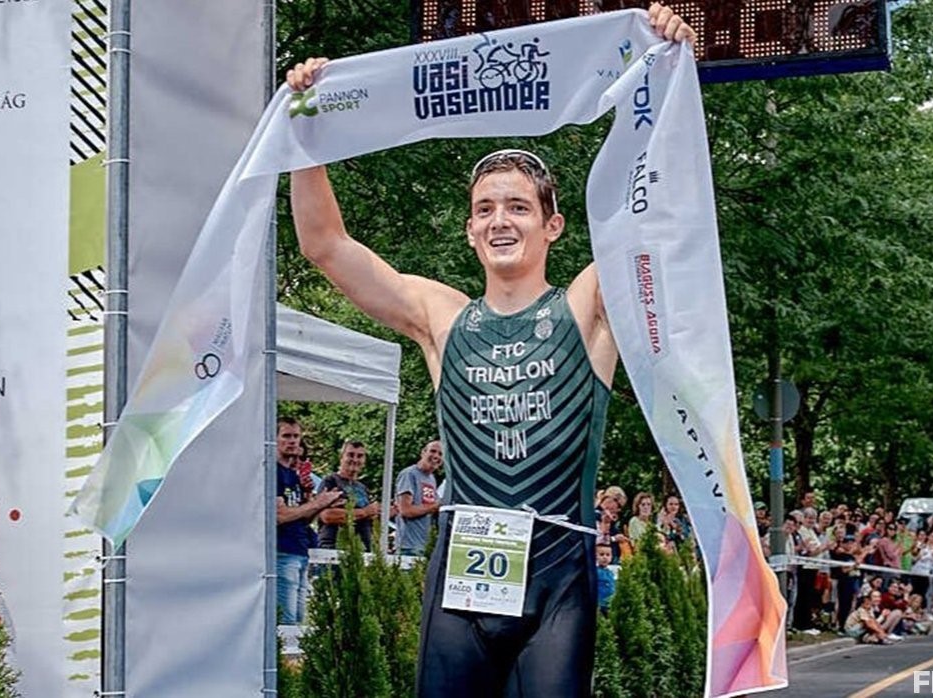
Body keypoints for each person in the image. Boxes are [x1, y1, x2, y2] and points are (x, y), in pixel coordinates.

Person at [286, 6, 697, 694]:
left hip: (558, 579)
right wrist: (305, 128)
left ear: (552, 226)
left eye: (517, 207)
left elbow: (658, 215)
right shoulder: (441, 317)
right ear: (470, 231)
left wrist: (670, 76)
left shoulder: (587, 307)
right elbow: (324, 245)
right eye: (485, 209)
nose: (500, 220)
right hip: (462, 581)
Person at [275, 417, 343, 624]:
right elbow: (279, 516)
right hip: (281, 552)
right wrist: (317, 503)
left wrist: (320, 504)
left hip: (300, 550)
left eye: (296, 436)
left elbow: (303, 520)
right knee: (286, 622)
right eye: (286, 436)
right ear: (274, 439)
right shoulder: (273, 472)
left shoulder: (293, 476)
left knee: (298, 620)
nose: (292, 441)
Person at [317, 440, 381, 552]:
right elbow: (326, 516)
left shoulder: (363, 488)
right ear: (341, 457)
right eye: (350, 455)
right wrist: (364, 512)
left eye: (360, 456)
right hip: (334, 549)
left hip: (361, 550)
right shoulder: (331, 482)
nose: (355, 460)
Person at [395, 440, 443, 556]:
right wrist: (435, 506)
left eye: (440, 454)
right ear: (423, 452)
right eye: (432, 451)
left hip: (425, 547)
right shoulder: (409, 474)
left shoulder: (431, 479)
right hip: (408, 547)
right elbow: (405, 510)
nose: (436, 456)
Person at [595, 545, 616, 615]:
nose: (605, 557)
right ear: (596, 556)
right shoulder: (595, 572)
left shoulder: (610, 573)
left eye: (608, 555)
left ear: (611, 557)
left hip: (610, 603)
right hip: (600, 604)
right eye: (601, 554)